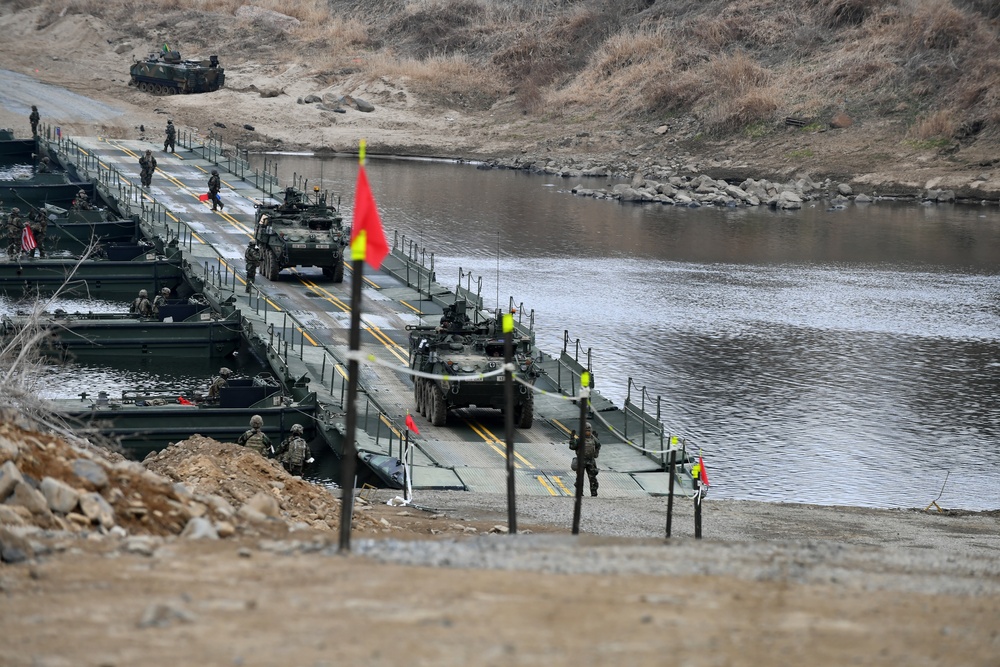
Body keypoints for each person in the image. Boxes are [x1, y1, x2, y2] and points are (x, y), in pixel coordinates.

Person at [569, 421, 601, 496]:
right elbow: (572, 447)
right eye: (586, 431)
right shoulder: (580, 439)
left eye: (589, 431)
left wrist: (595, 454)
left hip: (591, 461)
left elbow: (598, 445)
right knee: (580, 478)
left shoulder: (593, 439)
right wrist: (572, 439)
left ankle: (594, 493)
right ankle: (580, 493)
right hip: (581, 461)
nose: (588, 432)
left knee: (593, 478)